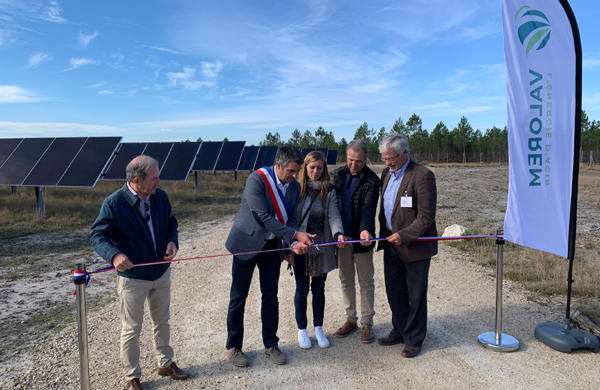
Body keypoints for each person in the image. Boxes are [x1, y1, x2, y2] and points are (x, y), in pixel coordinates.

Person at [90, 155, 188, 390]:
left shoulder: (160, 197)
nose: (159, 181)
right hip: (133, 278)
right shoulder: (114, 203)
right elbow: (97, 235)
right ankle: (131, 376)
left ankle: (165, 363)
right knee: (132, 328)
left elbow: (171, 223)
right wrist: (114, 255)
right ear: (137, 180)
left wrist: (173, 242)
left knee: (162, 321)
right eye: (154, 178)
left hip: (161, 273)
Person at [225, 146, 313, 367]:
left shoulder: (293, 187)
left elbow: (291, 217)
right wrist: (294, 234)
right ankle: (234, 347)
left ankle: (271, 344)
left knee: (271, 296)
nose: (294, 176)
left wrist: (293, 243)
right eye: (291, 171)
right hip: (247, 242)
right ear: (279, 166)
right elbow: (262, 216)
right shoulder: (257, 179)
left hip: (272, 246)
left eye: (297, 171)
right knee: (238, 297)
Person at [376, 135, 438, 358]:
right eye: (384, 159)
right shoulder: (386, 174)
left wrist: (405, 235)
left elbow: (426, 217)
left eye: (391, 158)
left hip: (415, 246)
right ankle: (400, 329)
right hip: (391, 244)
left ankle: (414, 339)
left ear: (404, 153)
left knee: (415, 295)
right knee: (395, 292)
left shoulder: (422, 175)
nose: (387, 163)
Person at [291, 151, 345, 349]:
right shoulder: (296, 190)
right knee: (302, 288)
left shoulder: (328, 191)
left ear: (324, 170)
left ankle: (319, 328)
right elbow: (290, 219)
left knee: (319, 289)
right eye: (312, 167)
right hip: (301, 247)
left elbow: (333, 216)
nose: (315, 171)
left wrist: (338, 233)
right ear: (305, 168)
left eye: (319, 168)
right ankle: (302, 329)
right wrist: (291, 242)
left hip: (321, 248)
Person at [331, 139, 381, 343]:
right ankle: (350, 319)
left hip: (363, 239)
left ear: (365, 159)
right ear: (346, 157)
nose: (354, 165)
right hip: (342, 238)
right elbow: (332, 204)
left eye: (358, 161)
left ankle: (367, 322)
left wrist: (365, 230)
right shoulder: (339, 174)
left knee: (366, 282)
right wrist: (336, 233)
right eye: (351, 160)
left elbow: (369, 208)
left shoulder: (372, 180)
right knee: (345, 279)